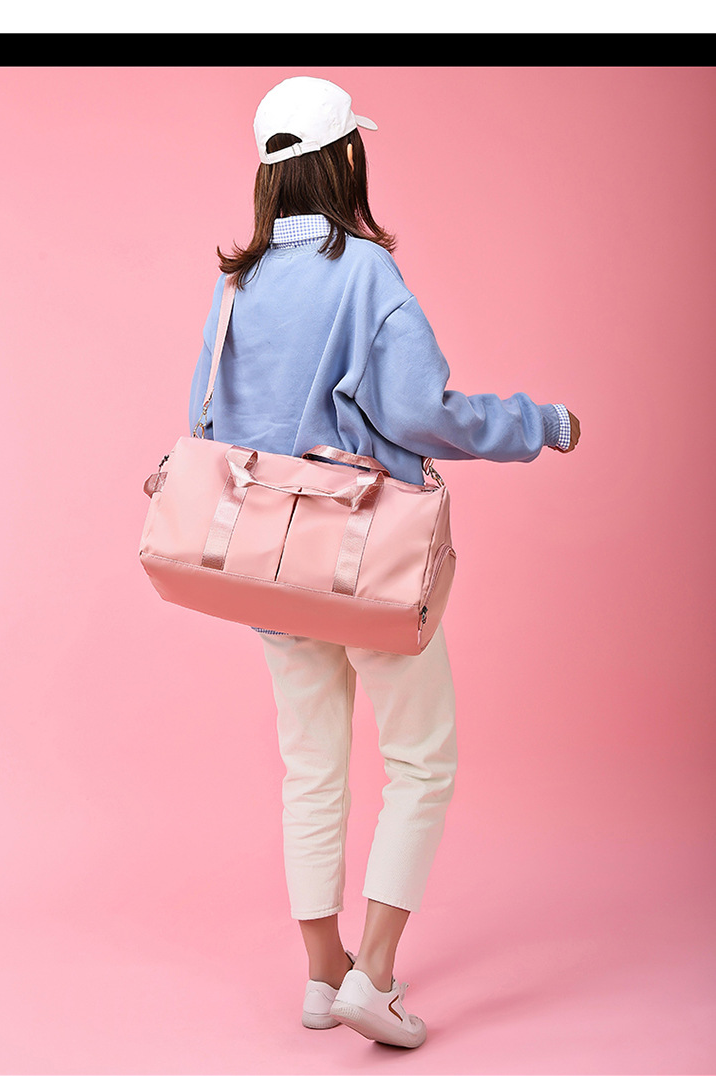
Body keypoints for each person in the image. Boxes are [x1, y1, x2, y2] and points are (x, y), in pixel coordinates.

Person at [188, 76, 581, 1050]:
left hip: (269, 572)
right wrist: (539, 423)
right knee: (419, 758)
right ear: (346, 157)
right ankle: (374, 973)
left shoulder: (236, 287)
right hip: (367, 568)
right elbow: (419, 413)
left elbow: (209, 422)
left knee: (310, 768)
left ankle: (322, 976)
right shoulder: (364, 272)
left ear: (268, 173)